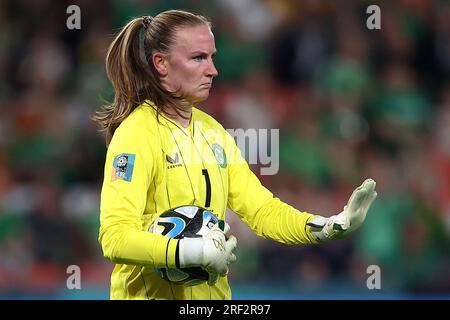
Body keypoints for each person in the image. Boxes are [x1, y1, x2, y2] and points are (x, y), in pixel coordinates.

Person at [93, 9, 377, 300]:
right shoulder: (136, 134)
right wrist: (193, 251)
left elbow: (262, 211)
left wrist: (328, 226)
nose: (213, 69)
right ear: (161, 63)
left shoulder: (213, 132)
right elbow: (115, 238)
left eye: (212, 57)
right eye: (198, 58)